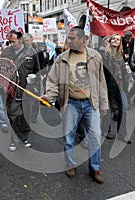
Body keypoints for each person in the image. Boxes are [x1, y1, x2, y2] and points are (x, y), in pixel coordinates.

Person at [42, 26, 109, 184]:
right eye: (68, 38)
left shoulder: (95, 56)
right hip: (70, 103)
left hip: (90, 103)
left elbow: (101, 81)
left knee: (95, 136)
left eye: (72, 38)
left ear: (82, 39)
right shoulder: (62, 58)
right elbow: (53, 81)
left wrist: (104, 103)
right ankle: (70, 164)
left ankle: (95, 167)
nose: (68, 41)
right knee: (69, 136)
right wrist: (48, 96)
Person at [1, 30, 40, 151]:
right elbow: (0, 70)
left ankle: (24, 137)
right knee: (13, 116)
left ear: (20, 39)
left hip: (27, 90)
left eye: (13, 41)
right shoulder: (6, 52)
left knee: (26, 115)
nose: (11, 44)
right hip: (11, 91)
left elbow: (37, 70)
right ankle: (13, 140)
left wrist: (35, 86)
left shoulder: (31, 52)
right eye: (9, 41)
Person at [102, 33, 131, 143]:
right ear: (110, 41)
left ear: (120, 42)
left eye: (118, 39)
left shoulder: (121, 55)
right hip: (108, 85)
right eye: (113, 39)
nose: (115, 41)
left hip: (120, 86)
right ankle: (106, 130)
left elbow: (125, 70)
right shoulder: (105, 54)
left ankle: (122, 134)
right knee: (107, 108)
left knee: (123, 108)